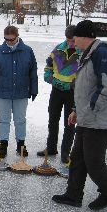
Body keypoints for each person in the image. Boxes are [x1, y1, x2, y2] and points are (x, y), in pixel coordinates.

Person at [52, 20, 107, 210]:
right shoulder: (87, 54)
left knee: (94, 161)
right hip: (86, 119)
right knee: (77, 158)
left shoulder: (101, 54)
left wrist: (87, 112)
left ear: (83, 37)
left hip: (97, 121)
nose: (73, 42)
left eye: (75, 38)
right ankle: (73, 194)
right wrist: (75, 110)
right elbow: (83, 88)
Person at [0, 25, 38, 157]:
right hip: (2, 92)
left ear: (17, 37)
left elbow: (33, 71)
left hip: (21, 92)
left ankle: (21, 144)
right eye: (6, 39)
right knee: (3, 119)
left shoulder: (27, 51)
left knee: (20, 119)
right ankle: (3, 145)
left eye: (12, 39)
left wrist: (34, 89)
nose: (9, 42)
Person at [36, 25, 81, 163]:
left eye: (73, 40)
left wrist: (72, 84)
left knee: (69, 123)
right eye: (68, 40)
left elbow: (85, 75)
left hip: (72, 92)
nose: (71, 43)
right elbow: (48, 67)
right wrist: (50, 79)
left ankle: (65, 152)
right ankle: (51, 148)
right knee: (52, 119)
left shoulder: (82, 53)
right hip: (56, 91)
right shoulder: (58, 49)